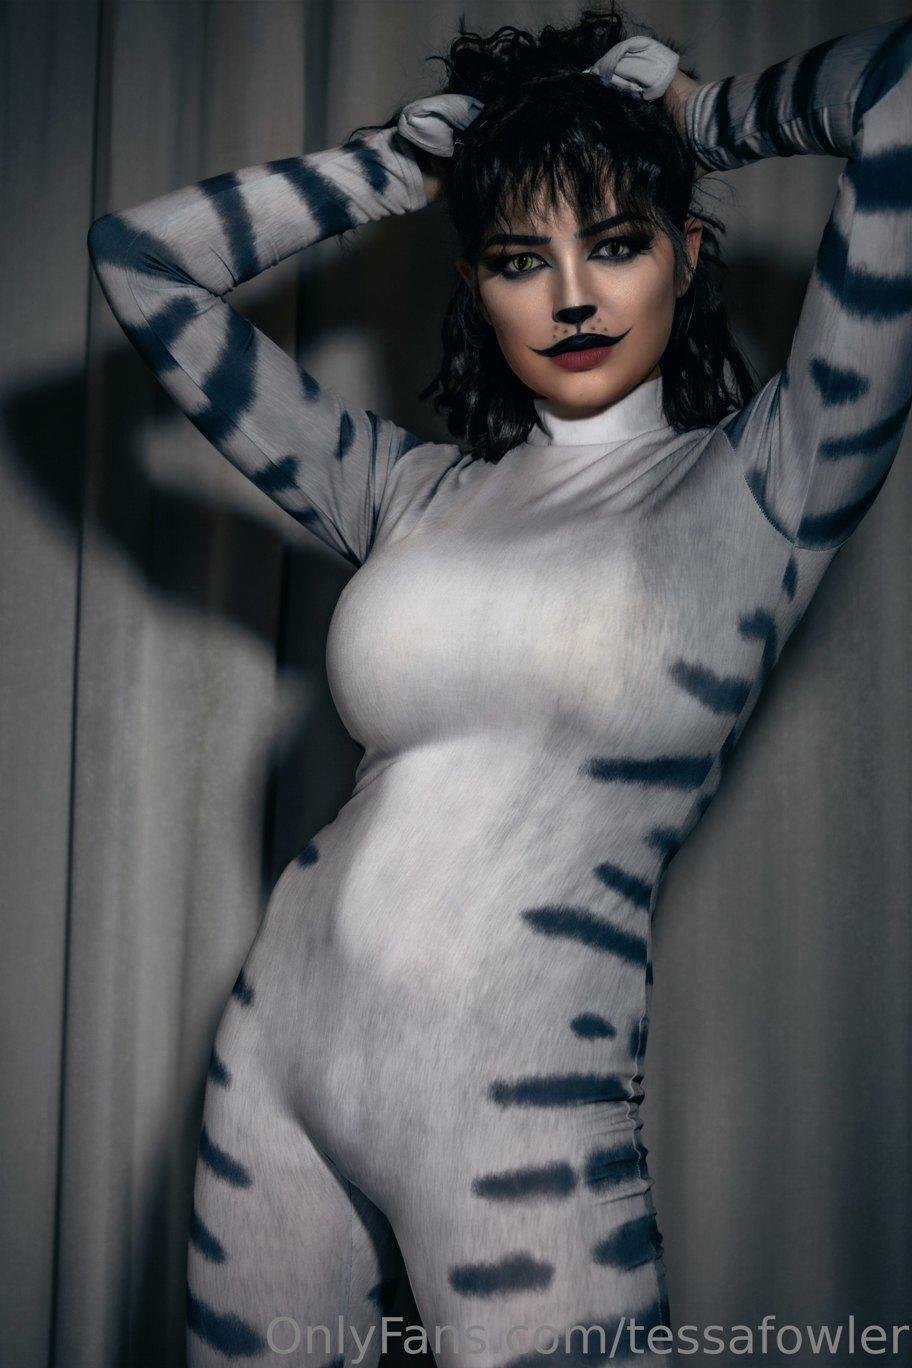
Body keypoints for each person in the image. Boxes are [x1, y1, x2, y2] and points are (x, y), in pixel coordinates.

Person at [86, 4, 911, 1365]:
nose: (573, 296)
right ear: (476, 284)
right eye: (523, 259)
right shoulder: (408, 490)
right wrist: (389, 173)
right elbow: (139, 263)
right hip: (272, 1074)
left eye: (618, 242)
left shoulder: (768, 482)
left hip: (517, 1113)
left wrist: (704, 119)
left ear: (688, 253)